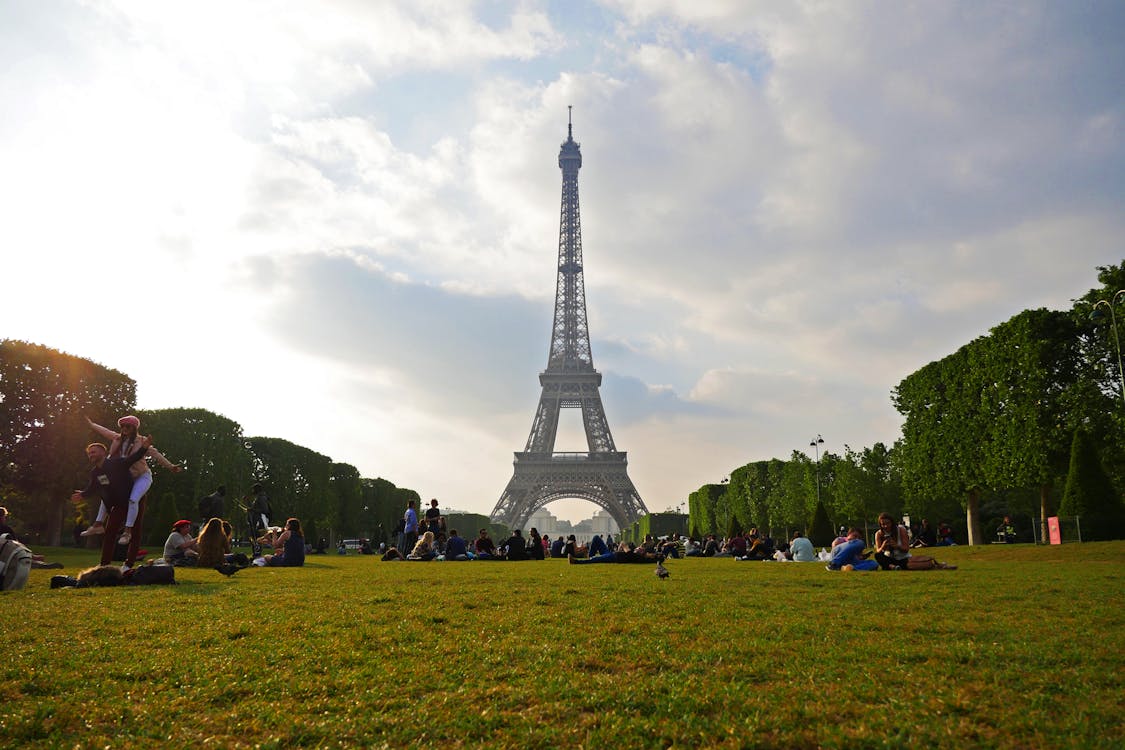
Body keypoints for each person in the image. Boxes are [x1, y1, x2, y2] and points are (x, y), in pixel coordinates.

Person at [81, 416, 182, 547]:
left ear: (134, 428)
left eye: (127, 427)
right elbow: (105, 431)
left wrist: (170, 466)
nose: (124, 429)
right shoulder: (117, 439)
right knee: (106, 494)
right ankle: (98, 524)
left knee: (133, 499)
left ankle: (127, 532)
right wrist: (92, 424)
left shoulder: (142, 441)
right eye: (122, 427)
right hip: (124, 478)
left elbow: (156, 455)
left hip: (141, 476)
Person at [72, 435, 154, 568]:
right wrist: (83, 494)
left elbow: (133, 458)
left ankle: (129, 564)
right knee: (110, 532)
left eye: (94, 452)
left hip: (133, 501)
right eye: (89, 453)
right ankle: (104, 565)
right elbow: (93, 487)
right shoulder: (95, 472)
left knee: (135, 532)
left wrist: (144, 447)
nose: (91, 455)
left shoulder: (116, 463)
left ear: (103, 453)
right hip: (118, 505)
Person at [568, 541, 666, 564]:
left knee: (596, 560)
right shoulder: (643, 555)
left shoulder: (643, 559)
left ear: (654, 557)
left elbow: (629, 555)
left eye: (655, 554)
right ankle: (589, 555)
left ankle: (576, 561)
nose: (653, 552)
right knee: (596, 538)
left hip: (614, 557)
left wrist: (624, 546)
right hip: (614, 553)